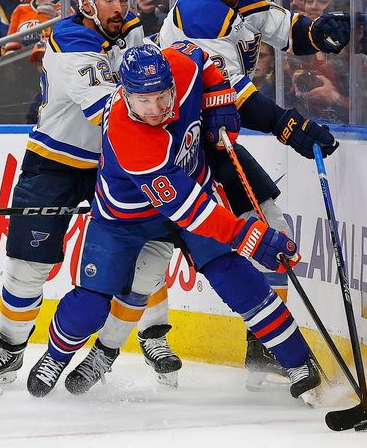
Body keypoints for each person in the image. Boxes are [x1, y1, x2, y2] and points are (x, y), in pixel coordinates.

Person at [26, 43, 321, 402]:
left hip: (192, 189)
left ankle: (299, 361)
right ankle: (55, 357)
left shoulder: (181, 66)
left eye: (163, 96)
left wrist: (218, 101)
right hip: (125, 218)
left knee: (235, 276)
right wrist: (249, 235)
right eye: (143, 101)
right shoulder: (127, 134)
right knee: (90, 304)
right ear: (125, 93)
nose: (156, 109)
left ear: (172, 84)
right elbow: (188, 209)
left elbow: (201, 58)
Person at [0, 0, 183, 391]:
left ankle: (148, 335)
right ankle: (11, 348)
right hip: (56, 161)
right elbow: (108, 110)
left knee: (147, 251)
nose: (119, 6)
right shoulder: (71, 40)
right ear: (86, 2)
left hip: (114, 163)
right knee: (30, 264)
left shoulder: (131, 31)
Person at [159, 0, 349, 391]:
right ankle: (119, 342)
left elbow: (282, 29)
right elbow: (233, 96)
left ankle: (263, 350)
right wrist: (291, 127)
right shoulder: (199, 14)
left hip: (216, 139)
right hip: (180, 148)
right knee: (154, 251)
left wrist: (319, 31)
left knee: (275, 231)